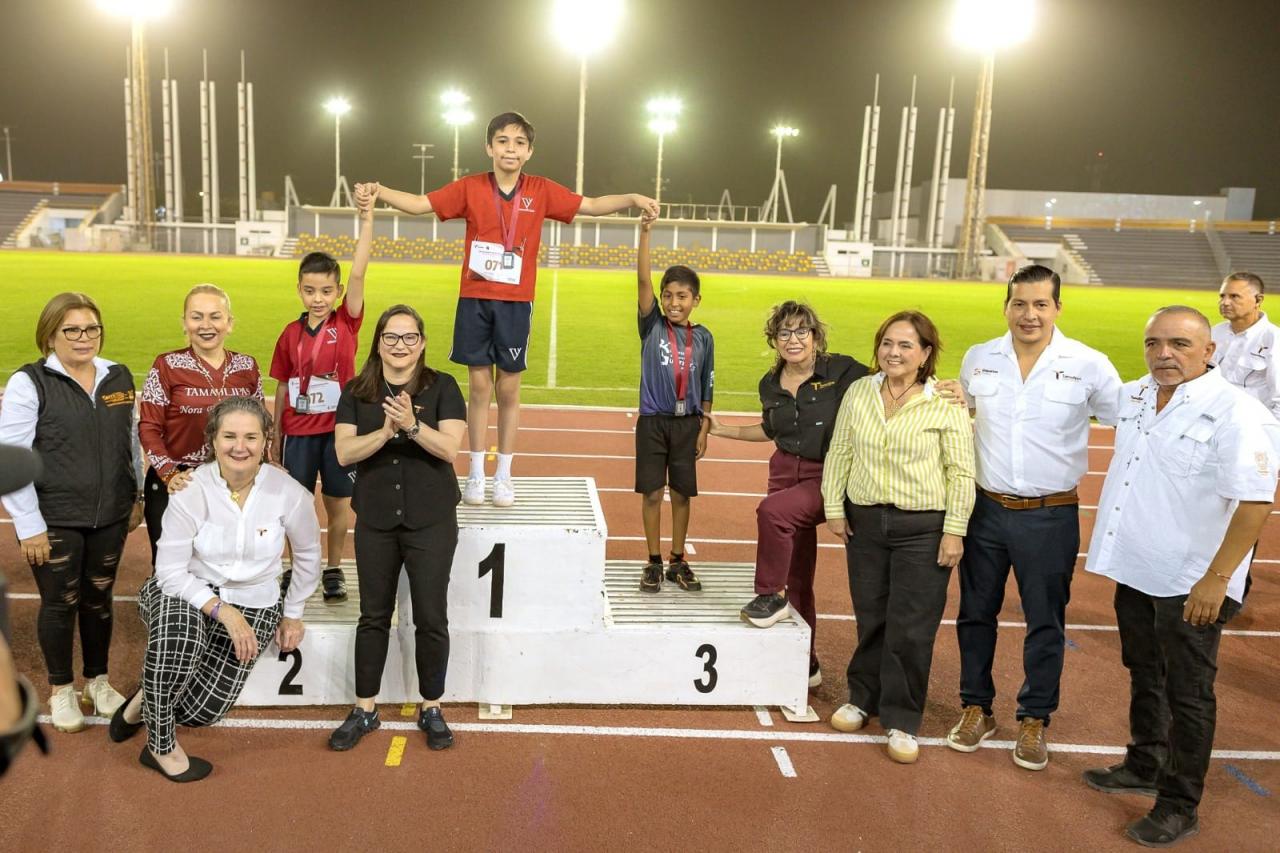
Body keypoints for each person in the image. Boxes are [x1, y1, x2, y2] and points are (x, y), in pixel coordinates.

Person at [367, 111, 658, 508]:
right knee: (479, 388)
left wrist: (634, 199)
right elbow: (420, 205)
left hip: (517, 304)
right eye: (503, 141)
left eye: (519, 143)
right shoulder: (470, 187)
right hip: (475, 299)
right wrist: (379, 190)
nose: (510, 149)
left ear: (529, 151)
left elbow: (590, 204)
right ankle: (476, 472)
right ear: (489, 147)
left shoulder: (540, 190)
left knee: (508, 388)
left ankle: (503, 473)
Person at [1081, 306, 1279, 848]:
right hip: (1136, 567)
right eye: (1154, 343)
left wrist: (1217, 578)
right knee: (1144, 671)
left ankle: (1178, 805)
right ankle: (1144, 763)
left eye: (1179, 344)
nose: (1164, 354)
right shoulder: (1138, 395)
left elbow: (1255, 503)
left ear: (1209, 351)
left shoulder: (1238, 413)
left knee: (1188, 693)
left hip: (1192, 580)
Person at [934, 264, 1122, 771]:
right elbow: (959, 416)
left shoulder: (1089, 364)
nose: (1029, 314)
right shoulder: (979, 358)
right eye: (1020, 304)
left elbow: (1130, 419)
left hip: (1051, 513)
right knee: (975, 614)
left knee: (1045, 620)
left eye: (1040, 304)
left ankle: (1035, 717)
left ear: (1058, 308)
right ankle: (976, 708)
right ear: (1006, 307)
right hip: (985, 510)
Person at [109, 397, 321, 782]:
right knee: (180, 641)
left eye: (251, 437)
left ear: (266, 440)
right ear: (213, 440)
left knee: (202, 710)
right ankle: (161, 747)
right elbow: (170, 572)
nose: (240, 447)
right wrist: (223, 612)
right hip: (185, 589)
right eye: (229, 436)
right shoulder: (191, 489)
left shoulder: (289, 492)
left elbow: (307, 555)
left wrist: (293, 612)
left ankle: (145, 698)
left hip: (256, 598)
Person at [820, 311, 975, 764]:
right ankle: (861, 698)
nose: (894, 352)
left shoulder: (944, 402)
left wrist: (954, 531)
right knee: (870, 616)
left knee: (911, 627)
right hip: (866, 523)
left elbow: (961, 471)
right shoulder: (859, 392)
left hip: (922, 529)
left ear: (925, 354)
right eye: (887, 343)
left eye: (906, 345)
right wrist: (834, 507)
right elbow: (841, 450)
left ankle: (902, 717)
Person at [0, 293, 143, 732]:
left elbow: (130, 443)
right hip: (54, 518)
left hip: (111, 515)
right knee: (59, 603)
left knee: (99, 599)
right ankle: (61, 688)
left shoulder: (117, 375)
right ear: (50, 336)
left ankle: (97, 682)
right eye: (72, 330)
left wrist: (134, 494)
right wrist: (29, 526)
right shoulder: (30, 383)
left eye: (92, 328)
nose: (84, 337)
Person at [327, 305, 467, 753]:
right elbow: (345, 453)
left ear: (421, 343)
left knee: (431, 616)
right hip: (376, 519)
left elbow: (449, 449)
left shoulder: (443, 386)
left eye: (409, 337)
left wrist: (412, 425)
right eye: (391, 336)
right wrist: (386, 432)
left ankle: (432, 706)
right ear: (379, 342)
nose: (400, 345)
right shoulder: (357, 391)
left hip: (432, 520)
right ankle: (364, 709)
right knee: (372, 615)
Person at [708, 301, 866, 688]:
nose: (793, 339)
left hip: (825, 475)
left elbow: (896, 378)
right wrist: (723, 429)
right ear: (774, 339)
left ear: (816, 336)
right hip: (782, 471)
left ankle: (768, 594)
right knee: (798, 576)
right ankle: (807, 664)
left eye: (801, 331)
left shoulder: (843, 371)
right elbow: (770, 430)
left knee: (773, 513)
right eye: (784, 332)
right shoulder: (770, 382)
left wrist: (939, 388)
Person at [268, 184, 371, 603]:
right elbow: (281, 384)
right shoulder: (289, 333)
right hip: (298, 431)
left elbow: (359, 272)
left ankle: (332, 568)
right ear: (299, 289)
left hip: (338, 432)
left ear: (338, 291)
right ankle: (298, 567)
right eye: (310, 291)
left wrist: (366, 219)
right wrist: (276, 432)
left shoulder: (346, 322)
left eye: (327, 291)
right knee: (296, 506)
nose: (318, 299)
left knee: (337, 503)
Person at [139, 284, 264, 562]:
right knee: (171, 568)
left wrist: (260, 468)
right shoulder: (167, 365)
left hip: (231, 482)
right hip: (178, 482)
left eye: (215, 316)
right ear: (185, 323)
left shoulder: (247, 366)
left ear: (229, 323)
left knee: (226, 566)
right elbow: (148, 427)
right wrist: (169, 473)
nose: (206, 325)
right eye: (196, 317)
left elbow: (260, 427)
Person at [634, 215, 713, 593]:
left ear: (696, 300)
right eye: (668, 295)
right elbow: (643, 281)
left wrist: (704, 428)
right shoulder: (651, 325)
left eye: (682, 296)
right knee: (652, 493)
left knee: (681, 494)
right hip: (653, 422)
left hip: (687, 424)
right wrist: (645, 233)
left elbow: (708, 383)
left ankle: (677, 560)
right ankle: (653, 560)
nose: (673, 302)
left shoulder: (704, 337)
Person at [1210, 271, 1280, 417]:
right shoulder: (1214, 333)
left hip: (1251, 421)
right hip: (1211, 416)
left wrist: (1269, 429)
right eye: (1222, 296)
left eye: (1234, 296)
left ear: (1258, 300)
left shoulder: (1274, 339)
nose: (1225, 302)